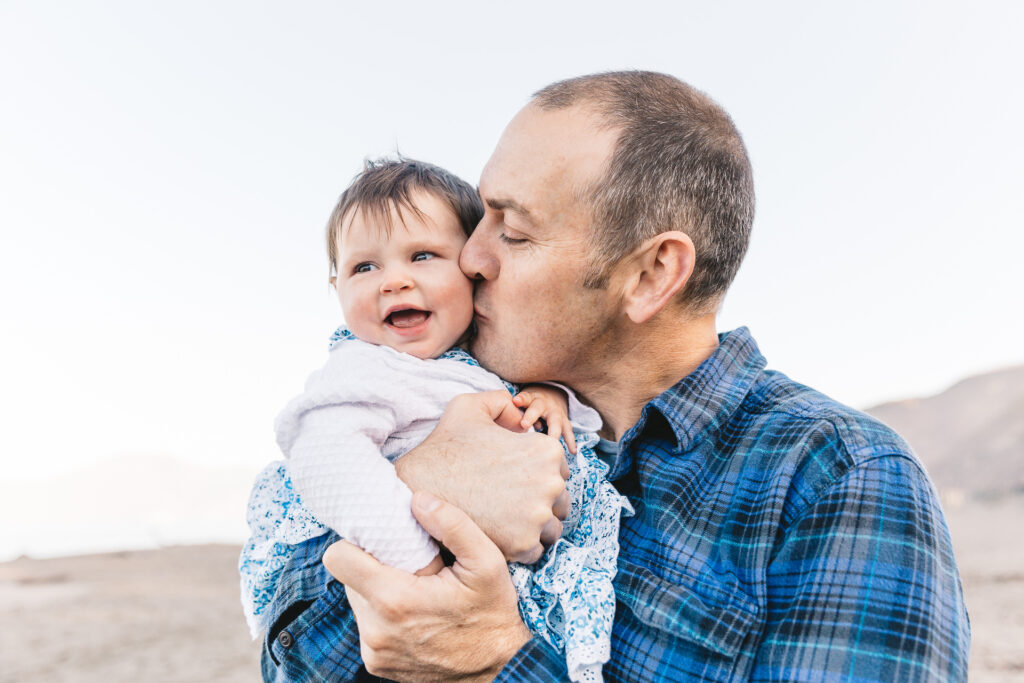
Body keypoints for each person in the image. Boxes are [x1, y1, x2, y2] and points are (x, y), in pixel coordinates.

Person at [260, 71, 970, 682]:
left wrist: (492, 658)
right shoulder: (446, 410)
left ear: (651, 274)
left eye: (511, 230)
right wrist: (419, 485)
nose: (468, 258)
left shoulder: (834, 478)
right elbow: (286, 658)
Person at [240, 158, 631, 682]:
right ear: (336, 287)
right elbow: (330, 464)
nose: (394, 281)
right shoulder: (367, 368)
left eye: (422, 256)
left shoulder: (485, 360)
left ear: (471, 268)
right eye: (364, 268)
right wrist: (421, 566)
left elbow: (581, 424)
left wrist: (548, 395)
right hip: (403, 590)